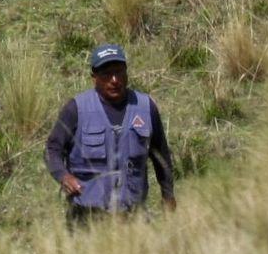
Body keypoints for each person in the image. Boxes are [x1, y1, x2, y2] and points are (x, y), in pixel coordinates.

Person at [44, 45, 176, 220]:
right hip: (86, 216)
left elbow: (161, 156)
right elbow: (52, 149)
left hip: (132, 216)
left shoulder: (145, 107)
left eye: (119, 72)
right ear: (94, 78)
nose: (115, 80)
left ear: (126, 73)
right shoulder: (76, 109)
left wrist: (168, 195)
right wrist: (63, 176)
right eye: (106, 74)